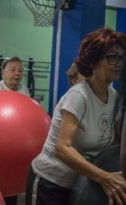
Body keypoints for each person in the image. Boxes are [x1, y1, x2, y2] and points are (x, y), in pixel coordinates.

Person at [26, 28, 126, 205]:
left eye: (121, 58)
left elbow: (119, 141)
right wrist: (104, 177)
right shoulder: (79, 96)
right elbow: (62, 148)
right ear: (94, 61)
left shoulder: (114, 97)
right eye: (112, 57)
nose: (119, 63)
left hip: (81, 184)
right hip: (50, 183)